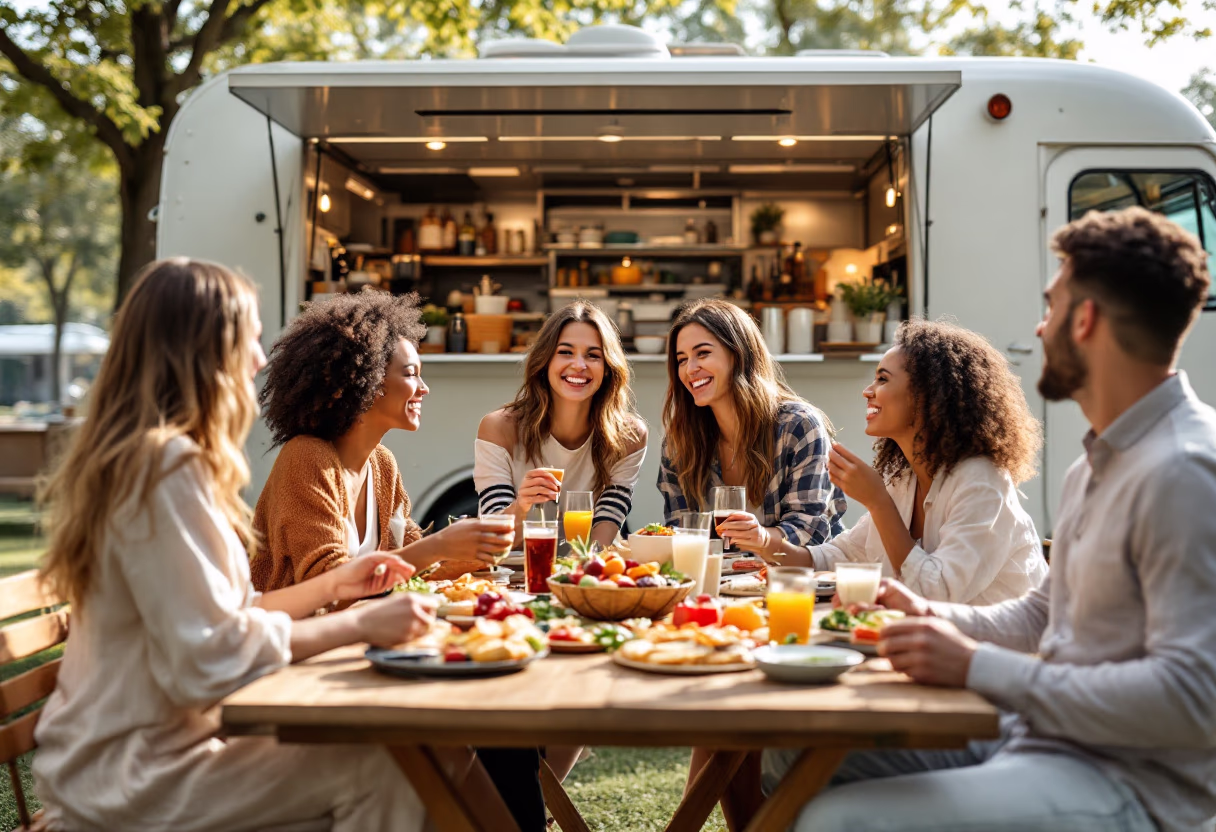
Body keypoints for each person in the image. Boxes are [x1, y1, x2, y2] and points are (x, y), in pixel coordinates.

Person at [764, 207, 1216, 832]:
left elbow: (1193, 699)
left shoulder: (1184, 469)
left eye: (1051, 307)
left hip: (1127, 781)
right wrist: (929, 614)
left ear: (1085, 321)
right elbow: (1042, 614)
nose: (1040, 325)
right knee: (783, 745)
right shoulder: (1097, 463)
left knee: (843, 821)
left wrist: (976, 665)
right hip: (1043, 736)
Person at [32, 258, 438, 832]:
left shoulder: (153, 459)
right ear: (202, 352)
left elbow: (225, 617)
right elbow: (208, 660)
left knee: (395, 755)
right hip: (131, 773)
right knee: (388, 767)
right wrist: (359, 625)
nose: (259, 359)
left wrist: (336, 585)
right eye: (247, 339)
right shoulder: (164, 467)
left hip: (148, 751)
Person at [252, 291, 513, 594]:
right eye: (411, 374)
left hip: (362, 632)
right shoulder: (306, 457)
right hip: (295, 637)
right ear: (364, 380)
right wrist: (438, 545)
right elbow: (323, 583)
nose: (424, 389)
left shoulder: (381, 464)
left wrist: (479, 549)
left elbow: (418, 571)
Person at [798, 319, 1048, 604]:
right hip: (932, 641)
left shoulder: (981, 481)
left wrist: (878, 501)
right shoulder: (905, 476)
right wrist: (765, 544)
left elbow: (936, 594)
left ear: (927, 395)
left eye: (882, 379)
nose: (867, 391)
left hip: (998, 646)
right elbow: (842, 555)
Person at [658, 298, 845, 559]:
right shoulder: (680, 441)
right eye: (681, 359)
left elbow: (808, 531)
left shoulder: (799, 426)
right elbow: (681, 530)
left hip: (799, 583)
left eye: (702, 353)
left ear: (738, 354)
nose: (690, 369)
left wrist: (760, 537)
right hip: (719, 584)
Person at [476, 301, 647, 550]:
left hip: (589, 571)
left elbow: (605, 528)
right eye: (565, 352)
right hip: (516, 572)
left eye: (593, 355)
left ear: (608, 368)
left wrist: (575, 576)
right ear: (545, 362)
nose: (579, 365)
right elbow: (493, 540)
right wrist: (522, 504)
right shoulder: (499, 428)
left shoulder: (629, 437)